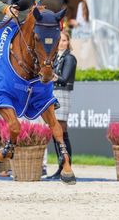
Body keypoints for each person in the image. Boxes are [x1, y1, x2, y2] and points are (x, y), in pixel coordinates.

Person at [46, 31, 77, 179]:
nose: (61, 43)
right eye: (60, 40)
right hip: (54, 92)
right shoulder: (55, 57)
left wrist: (49, 76)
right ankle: (61, 166)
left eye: (64, 40)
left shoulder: (70, 58)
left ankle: (66, 165)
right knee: (55, 131)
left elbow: (64, 78)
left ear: (68, 42)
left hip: (63, 94)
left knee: (62, 131)